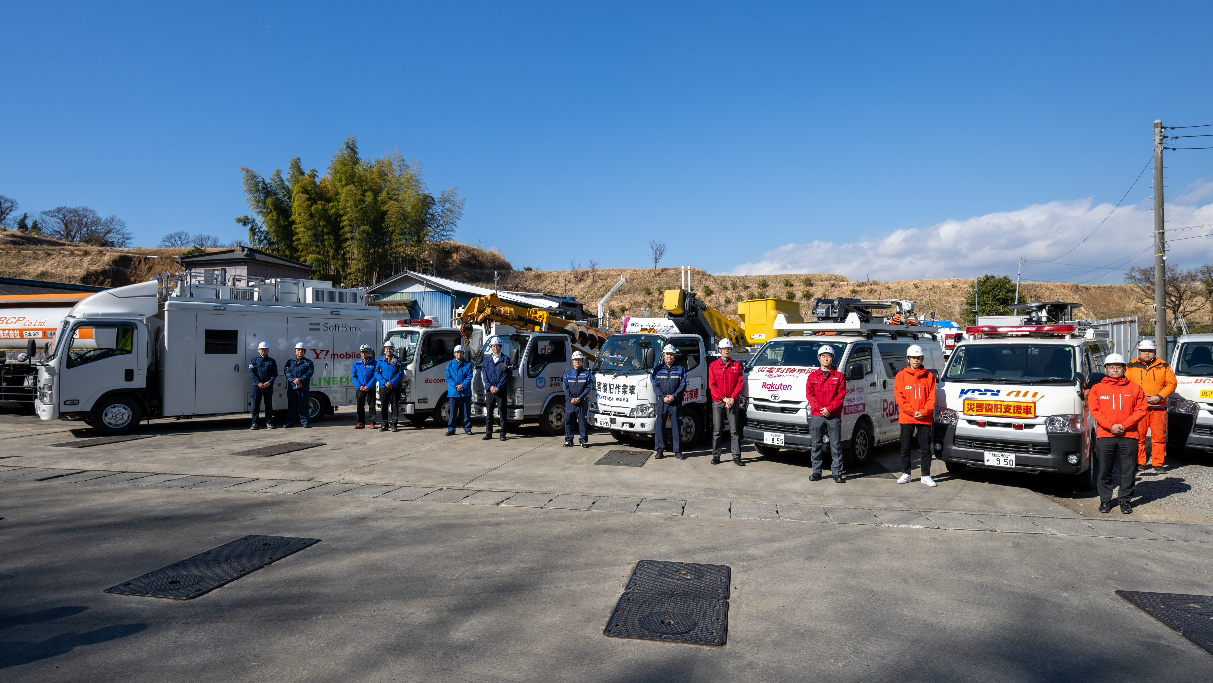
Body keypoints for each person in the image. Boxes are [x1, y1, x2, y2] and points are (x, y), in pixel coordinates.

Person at [1089, 354, 1148, 514]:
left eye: (1119, 366)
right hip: (1105, 435)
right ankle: (1105, 500)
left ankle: (1125, 500)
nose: (1115, 369)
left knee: (1128, 470)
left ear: (1124, 368)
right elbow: (1095, 411)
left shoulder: (1135, 388)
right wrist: (1110, 427)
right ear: (1105, 369)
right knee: (1104, 470)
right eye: (1111, 367)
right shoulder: (1097, 389)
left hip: (1128, 435)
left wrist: (1124, 425)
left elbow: (1141, 409)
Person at [1126, 339, 1177, 474]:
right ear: (1139, 352)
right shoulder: (1130, 366)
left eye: (1150, 351)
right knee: (1138, 436)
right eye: (1144, 351)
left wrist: (1159, 397)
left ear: (1154, 351)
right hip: (1138, 408)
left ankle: (1158, 464)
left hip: (1158, 407)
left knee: (1159, 436)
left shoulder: (1164, 365)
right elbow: (1124, 384)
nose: (1147, 354)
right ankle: (1140, 462)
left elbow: (1172, 383)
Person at [894, 344, 936, 487]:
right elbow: (900, 398)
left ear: (922, 358)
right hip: (907, 417)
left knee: (925, 448)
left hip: (924, 418)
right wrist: (912, 412)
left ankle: (926, 475)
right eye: (913, 357)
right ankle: (906, 473)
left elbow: (932, 398)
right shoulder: (900, 376)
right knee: (905, 447)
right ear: (908, 359)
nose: (916, 360)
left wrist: (923, 412)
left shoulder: (930, 377)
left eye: (918, 357)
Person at [806, 344, 847, 482]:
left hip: (833, 415)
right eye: (823, 356)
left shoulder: (839, 376)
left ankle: (837, 473)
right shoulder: (812, 376)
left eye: (828, 356)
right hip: (817, 415)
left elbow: (841, 395)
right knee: (816, 445)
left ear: (832, 358)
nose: (826, 359)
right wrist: (820, 409)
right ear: (819, 358)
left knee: (835, 445)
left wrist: (829, 409)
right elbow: (809, 395)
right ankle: (816, 472)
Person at [708, 338, 745, 466]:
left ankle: (736, 456)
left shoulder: (737, 365)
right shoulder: (713, 366)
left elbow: (740, 383)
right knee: (717, 429)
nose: (727, 351)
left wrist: (732, 398)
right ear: (720, 350)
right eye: (725, 349)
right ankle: (716, 455)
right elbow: (712, 385)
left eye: (729, 349)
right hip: (718, 401)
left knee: (734, 430)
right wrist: (724, 398)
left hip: (732, 401)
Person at [652, 344, 687, 460]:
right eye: (667, 354)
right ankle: (659, 450)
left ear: (674, 356)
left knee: (676, 426)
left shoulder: (680, 369)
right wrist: (663, 397)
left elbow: (683, 385)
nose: (669, 357)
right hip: (662, 402)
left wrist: (674, 396)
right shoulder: (657, 369)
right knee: (660, 426)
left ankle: (677, 451)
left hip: (675, 402)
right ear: (663, 355)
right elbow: (655, 385)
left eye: (671, 354)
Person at [563, 350, 594, 448]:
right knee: (568, 421)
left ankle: (583, 441)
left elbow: (588, 388)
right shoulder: (567, 373)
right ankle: (568, 440)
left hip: (581, 403)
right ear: (572, 361)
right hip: (570, 402)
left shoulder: (587, 373)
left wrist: (579, 398)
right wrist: (571, 398)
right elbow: (565, 387)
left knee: (582, 422)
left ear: (582, 361)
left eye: (579, 360)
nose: (577, 361)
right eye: (575, 360)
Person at [482, 337, 510, 441]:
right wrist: (490, 386)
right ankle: (488, 433)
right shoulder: (487, 360)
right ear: (491, 347)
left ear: (500, 347)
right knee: (489, 413)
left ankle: (502, 434)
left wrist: (497, 387)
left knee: (502, 412)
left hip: (500, 391)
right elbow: (484, 374)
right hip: (490, 391)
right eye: (493, 346)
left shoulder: (505, 359)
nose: (495, 348)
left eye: (497, 346)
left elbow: (505, 375)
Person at [284, 342, 314, 428]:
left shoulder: (308, 362)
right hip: (292, 387)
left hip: (303, 387)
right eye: (298, 350)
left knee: (303, 405)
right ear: (295, 351)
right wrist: (293, 380)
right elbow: (286, 371)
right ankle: (290, 422)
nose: (300, 351)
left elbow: (309, 373)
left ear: (304, 351)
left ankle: (305, 422)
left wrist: (299, 380)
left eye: (302, 350)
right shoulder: (290, 362)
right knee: (291, 405)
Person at [445, 344, 474, 436]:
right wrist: (456, 386)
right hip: (454, 392)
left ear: (463, 354)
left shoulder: (468, 365)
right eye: (457, 352)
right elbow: (448, 378)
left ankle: (467, 428)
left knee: (466, 412)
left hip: (465, 392)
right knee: (453, 412)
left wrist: (463, 385)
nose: (459, 354)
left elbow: (469, 377)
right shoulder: (449, 365)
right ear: (454, 354)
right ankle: (451, 429)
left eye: (461, 353)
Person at [249, 341, 278, 430]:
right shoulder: (253, 360)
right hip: (257, 386)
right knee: (256, 404)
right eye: (262, 349)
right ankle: (254, 423)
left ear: (268, 350)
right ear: (258, 350)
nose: (263, 351)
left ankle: (268, 422)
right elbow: (252, 373)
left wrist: (269, 382)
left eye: (265, 349)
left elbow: (274, 373)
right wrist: (258, 383)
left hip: (268, 386)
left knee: (268, 404)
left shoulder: (272, 361)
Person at [376, 340, 404, 432]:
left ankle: (394, 425)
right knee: (384, 407)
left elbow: (400, 373)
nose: (388, 350)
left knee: (394, 407)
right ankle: (384, 425)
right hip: (383, 388)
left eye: (390, 348)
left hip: (394, 387)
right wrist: (384, 382)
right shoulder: (380, 360)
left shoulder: (397, 360)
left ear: (393, 350)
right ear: (384, 350)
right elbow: (376, 373)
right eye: (387, 348)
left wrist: (392, 382)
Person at [351, 344, 378, 429]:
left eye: (365, 352)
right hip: (360, 388)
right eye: (362, 352)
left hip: (370, 388)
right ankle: (361, 423)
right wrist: (359, 386)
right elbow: (354, 376)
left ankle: (372, 422)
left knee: (372, 406)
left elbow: (375, 376)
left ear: (369, 352)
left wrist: (369, 386)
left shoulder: (374, 363)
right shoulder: (357, 363)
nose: (363, 354)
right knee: (360, 406)